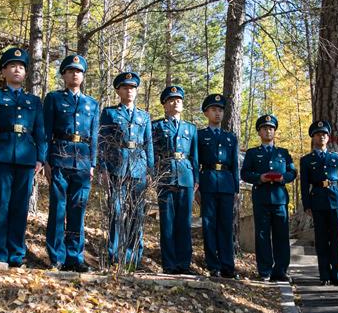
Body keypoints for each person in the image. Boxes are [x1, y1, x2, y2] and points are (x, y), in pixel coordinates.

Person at [0, 48, 46, 267]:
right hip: (3, 155)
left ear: (25, 72)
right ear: (4, 71)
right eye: (12, 66)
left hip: (27, 158)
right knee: (2, 204)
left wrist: (40, 158)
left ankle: (16, 253)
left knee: (20, 206)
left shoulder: (34, 101)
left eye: (21, 66)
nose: (17, 70)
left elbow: (40, 132)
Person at [43, 54, 99, 272]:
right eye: (71, 71)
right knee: (58, 209)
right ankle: (56, 256)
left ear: (83, 76)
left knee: (78, 210)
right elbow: (46, 131)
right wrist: (46, 161)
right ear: (64, 75)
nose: (75, 74)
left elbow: (94, 136)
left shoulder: (92, 104)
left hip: (83, 162)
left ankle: (75, 258)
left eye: (79, 71)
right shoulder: (54, 99)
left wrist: (93, 163)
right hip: (59, 158)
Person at [98, 72, 154, 269]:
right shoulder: (110, 113)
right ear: (118, 90)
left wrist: (150, 170)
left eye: (133, 87)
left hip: (138, 169)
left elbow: (148, 145)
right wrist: (103, 168)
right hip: (117, 168)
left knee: (136, 214)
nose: (129, 90)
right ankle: (114, 255)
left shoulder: (144, 116)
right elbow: (103, 142)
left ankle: (132, 258)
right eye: (125, 87)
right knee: (117, 211)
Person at [241, 115, 296, 282]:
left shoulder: (283, 153)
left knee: (281, 235)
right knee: (262, 235)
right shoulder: (252, 153)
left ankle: (281, 271)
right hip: (261, 198)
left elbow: (292, 172)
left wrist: (283, 178)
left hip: (279, 199)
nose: (268, 131)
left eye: (271, 128)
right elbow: (245, 173)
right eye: (264, 128)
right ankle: (264, 270)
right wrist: (259, 177)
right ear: (259, 132)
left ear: (274, 131)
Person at [151, 85, 198, 274]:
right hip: (166, 175)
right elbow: (152, 153)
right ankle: (169, 264)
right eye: (171, 100)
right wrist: (154, 175)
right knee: (168, 222)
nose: (176, 102)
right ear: (165, 105)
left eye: (179, 99)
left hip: (186, 176)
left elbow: (195, 157)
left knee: (184, 223)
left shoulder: (191, 128)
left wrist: (196, 179)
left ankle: (184, 264)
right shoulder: (157, 126)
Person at [300, 121, 338, 286]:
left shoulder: (337, 158)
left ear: (328, 137)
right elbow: (304, 184)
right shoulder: (307, 160)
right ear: (313, 138)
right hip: (318, 201)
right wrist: (307, 204)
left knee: (336, 238)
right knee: (321, 239)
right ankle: (324, 275)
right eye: (317, 134)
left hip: (336, 200)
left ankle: (337, 275)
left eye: (324, 134)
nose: (321, 136)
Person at [197, 94, 240, 279]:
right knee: (209, 225)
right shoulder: (199, 135)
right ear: (206, 112)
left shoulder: (230, 137)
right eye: (214, 110)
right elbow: (195, 161)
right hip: (207, 182)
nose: (217, 114)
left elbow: (235, 165)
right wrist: (196, 188)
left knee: (225, 226)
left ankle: (227, 266)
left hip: (226, 184)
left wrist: (236, 188)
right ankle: (213, 265)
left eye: (220, 110)